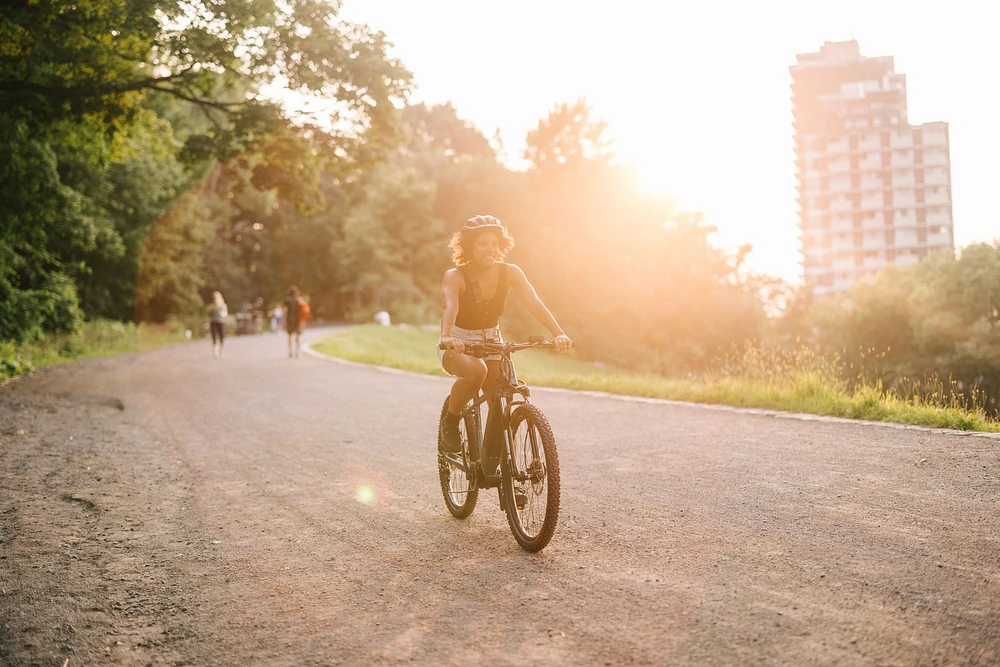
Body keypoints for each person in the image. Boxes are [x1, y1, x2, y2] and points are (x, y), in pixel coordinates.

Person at [438, 215, 572, 453]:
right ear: (469, 247)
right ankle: (451, 420)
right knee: (476, 371)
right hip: (458, 343)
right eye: (483, 243)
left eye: (494, 243)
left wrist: (558, 333)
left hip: (492, 342)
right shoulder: (455, 276)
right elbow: (451, 305)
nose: (490, 248)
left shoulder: (510, 272)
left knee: (501, 403)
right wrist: (447, 336)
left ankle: (508, 477)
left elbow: (534, 303)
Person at [283, 286, 307, 358]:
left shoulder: (287, 300)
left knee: (290, 336)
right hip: (298, 320)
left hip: (289, 320)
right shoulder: (299, 300)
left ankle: (290, 351)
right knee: (298, 336)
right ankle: (297, 351)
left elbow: (285, 311)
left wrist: (284, 320)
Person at [208, 291, 228, 359]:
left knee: (222, 337)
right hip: (214, 322)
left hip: (221, 322)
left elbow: (225, 314)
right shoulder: (212, 306)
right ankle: (215, 353)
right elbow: (210, 315)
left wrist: (222, 314)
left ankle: (222, 351)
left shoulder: (223, 305)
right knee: (215, 338)